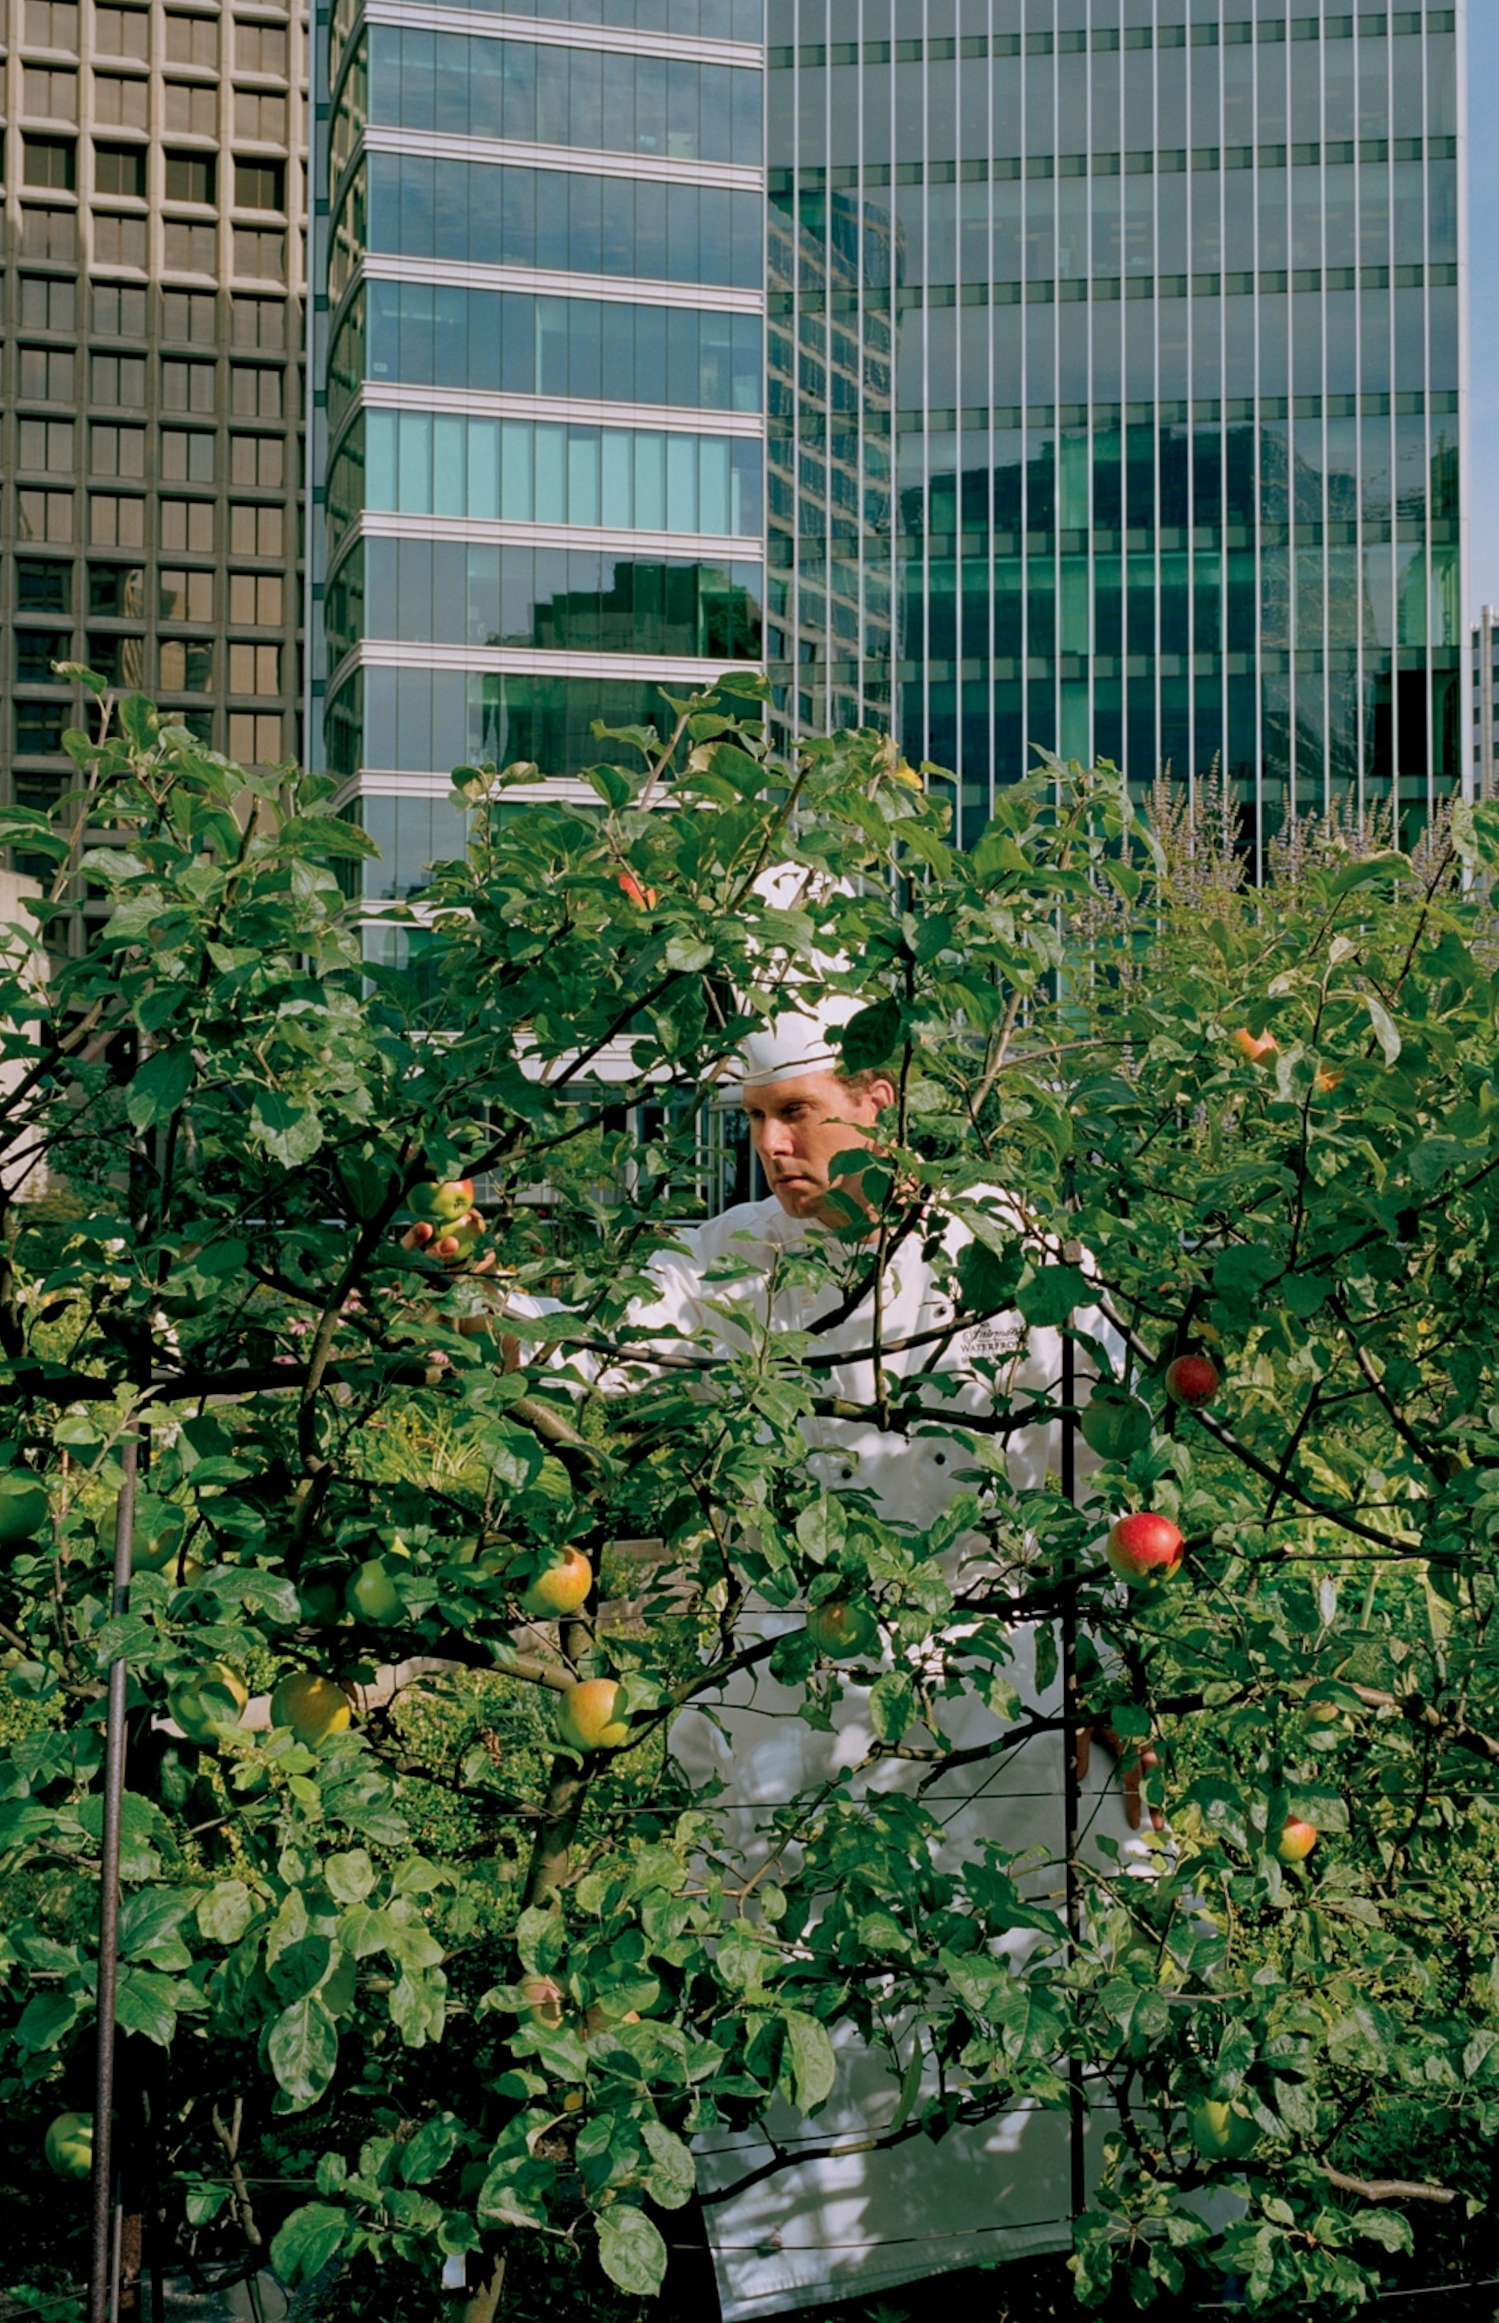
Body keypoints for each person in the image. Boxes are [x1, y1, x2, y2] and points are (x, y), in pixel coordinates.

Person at [551, 991, 1138, 2318]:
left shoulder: (1000, 1243)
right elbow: (601, 1365)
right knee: (801, 1994)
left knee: (1010, 1972)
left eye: (794, 1111)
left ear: (877, 1097)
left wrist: (1096, 1640)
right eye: (754, 1118)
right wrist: (481, 1300)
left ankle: (1023, 2266)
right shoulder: (728, 1259)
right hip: (791, 1688)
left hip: (991, 1683)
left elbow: (1103, 1444)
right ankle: (817, 2279)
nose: (771, 1144)